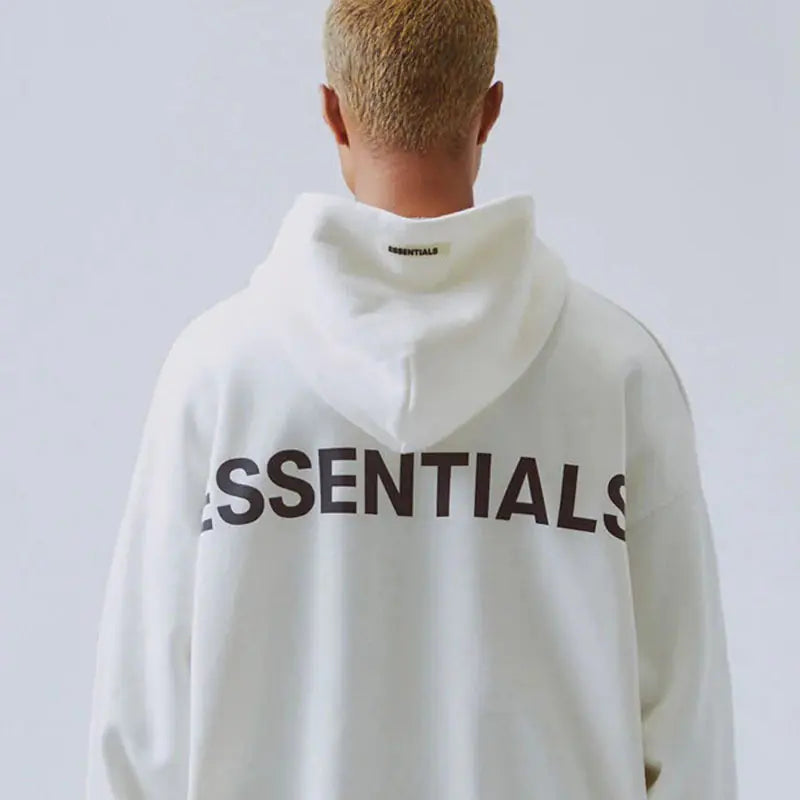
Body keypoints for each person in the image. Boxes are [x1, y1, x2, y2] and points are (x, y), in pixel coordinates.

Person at [84, 1, 738, 798]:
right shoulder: (617, 374)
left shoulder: (219, 374)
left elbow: (139, 733)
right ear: (489, 110)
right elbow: (690, 735)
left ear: (332, 110)